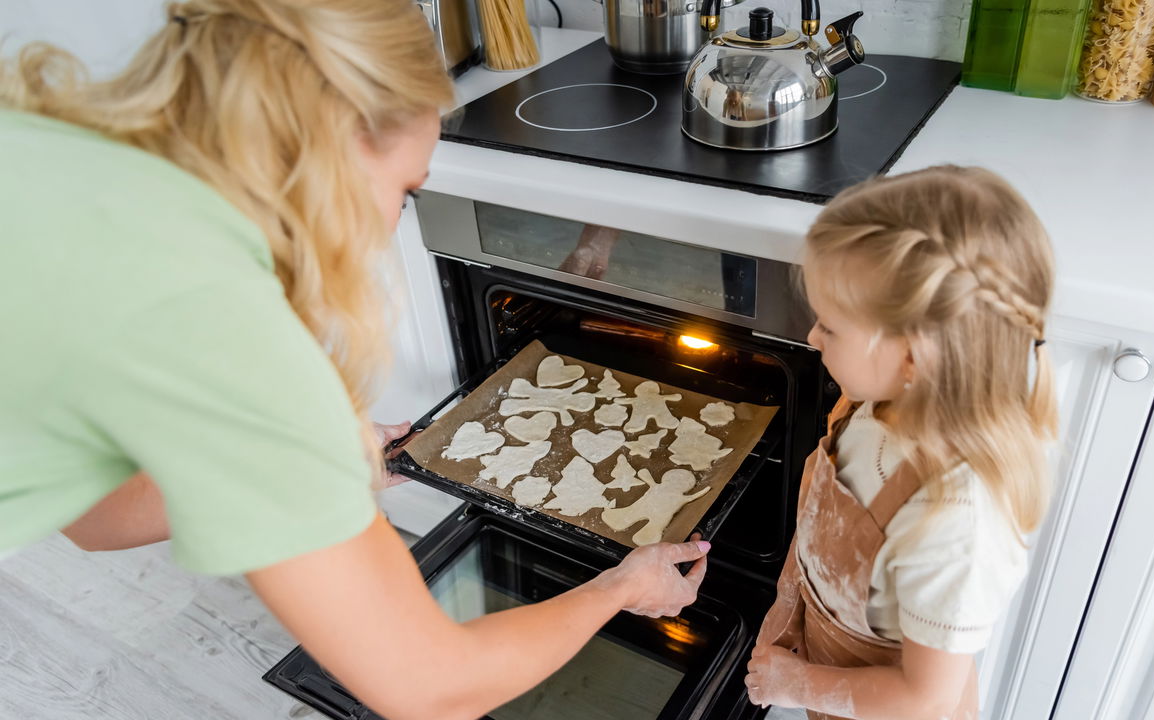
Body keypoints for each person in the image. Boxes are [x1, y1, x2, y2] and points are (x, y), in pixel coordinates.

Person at [0, 2, 709, 719]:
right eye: (406, 192)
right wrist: (619, 587)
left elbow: (88, 512)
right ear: (329, 141)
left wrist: (315, 455)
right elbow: (431, 686)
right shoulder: (224, 325)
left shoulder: (73, 152)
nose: (390, 224)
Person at [743, 166, 1058, 719]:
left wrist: (796, 684)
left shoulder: (955, 519)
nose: (813, 337)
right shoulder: (874, 400)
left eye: (831, 327)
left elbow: (924, 700)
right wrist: (788, 615)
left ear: (914, 355)